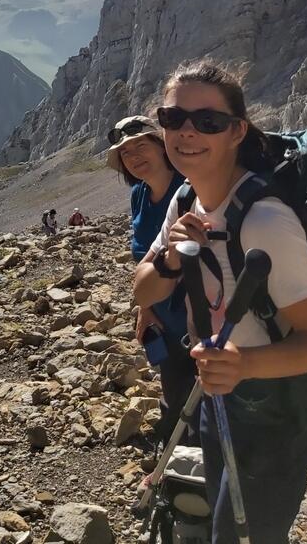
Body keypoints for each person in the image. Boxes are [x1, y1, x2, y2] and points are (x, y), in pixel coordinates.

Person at [133, 63, 307, 544]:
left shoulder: (265, 220)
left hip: (274, 410)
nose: (187, 132)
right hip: (215, 395)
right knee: (222, 523)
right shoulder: (185, 200)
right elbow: (143, 292)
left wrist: (242, 363)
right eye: (173, 117)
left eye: (208, 122)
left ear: (236, 131)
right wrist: (167, 259)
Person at [107, 115, 192, 444]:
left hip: (199, 311)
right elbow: (142, 256)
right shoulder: (139, 196)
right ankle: (174, 459)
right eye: (125, 154)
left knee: (208, 395)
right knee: (173, 386)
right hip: (163, 312)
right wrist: (146, 308)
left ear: (162, 146)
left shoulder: (189, 188)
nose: (134, 156)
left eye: (141, 145)